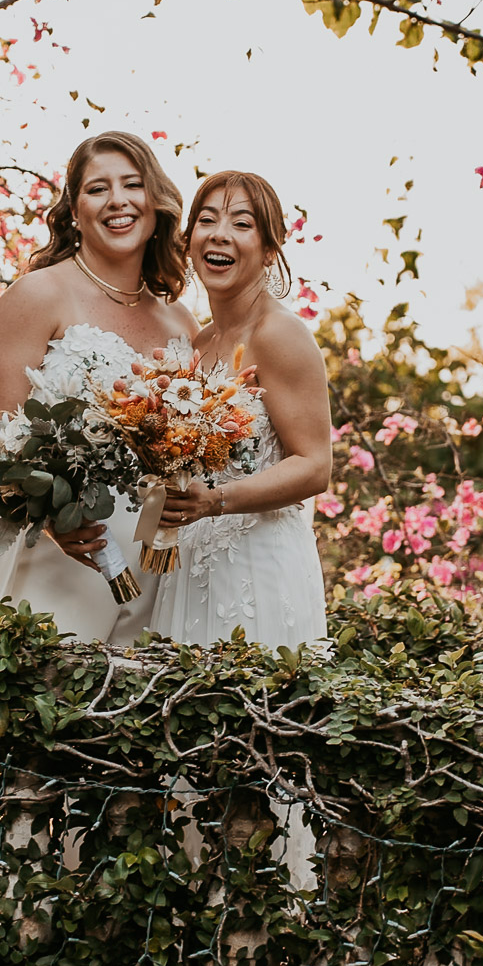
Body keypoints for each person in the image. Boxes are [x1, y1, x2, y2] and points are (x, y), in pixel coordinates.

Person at [0, 132, 198, 640]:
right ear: (74, 212)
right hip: (53, 552)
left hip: (153, 569)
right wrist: (55, 518)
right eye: (98, 189)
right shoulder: (37, 295)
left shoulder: (181, 321)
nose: (118, 201)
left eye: (132, 185)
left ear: (155, 202)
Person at [148, 171, 332, 648]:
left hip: (258, 565)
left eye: (241, 223)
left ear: (270, 250)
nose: (220, 233)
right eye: (207, 220)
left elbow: (314, 467)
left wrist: (215, 501)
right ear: (190, 243)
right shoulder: (200, 343)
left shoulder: (279, 334)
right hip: (191, 565)